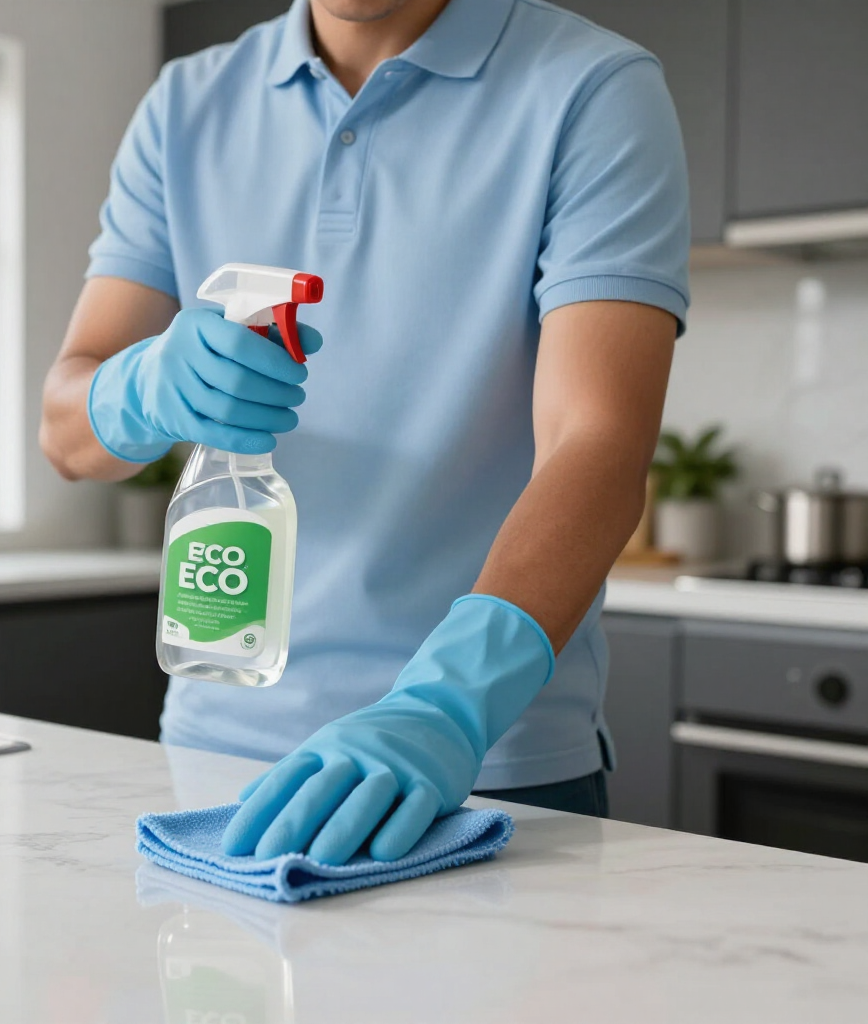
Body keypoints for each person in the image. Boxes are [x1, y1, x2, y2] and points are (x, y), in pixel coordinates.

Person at [41, 0, 689, 866]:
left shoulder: (590, 86)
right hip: (211, 753)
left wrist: (445, 705)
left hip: (485, 768)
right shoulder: (185, 103)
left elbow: (596, 444)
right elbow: (66, 433)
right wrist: (147, 385)